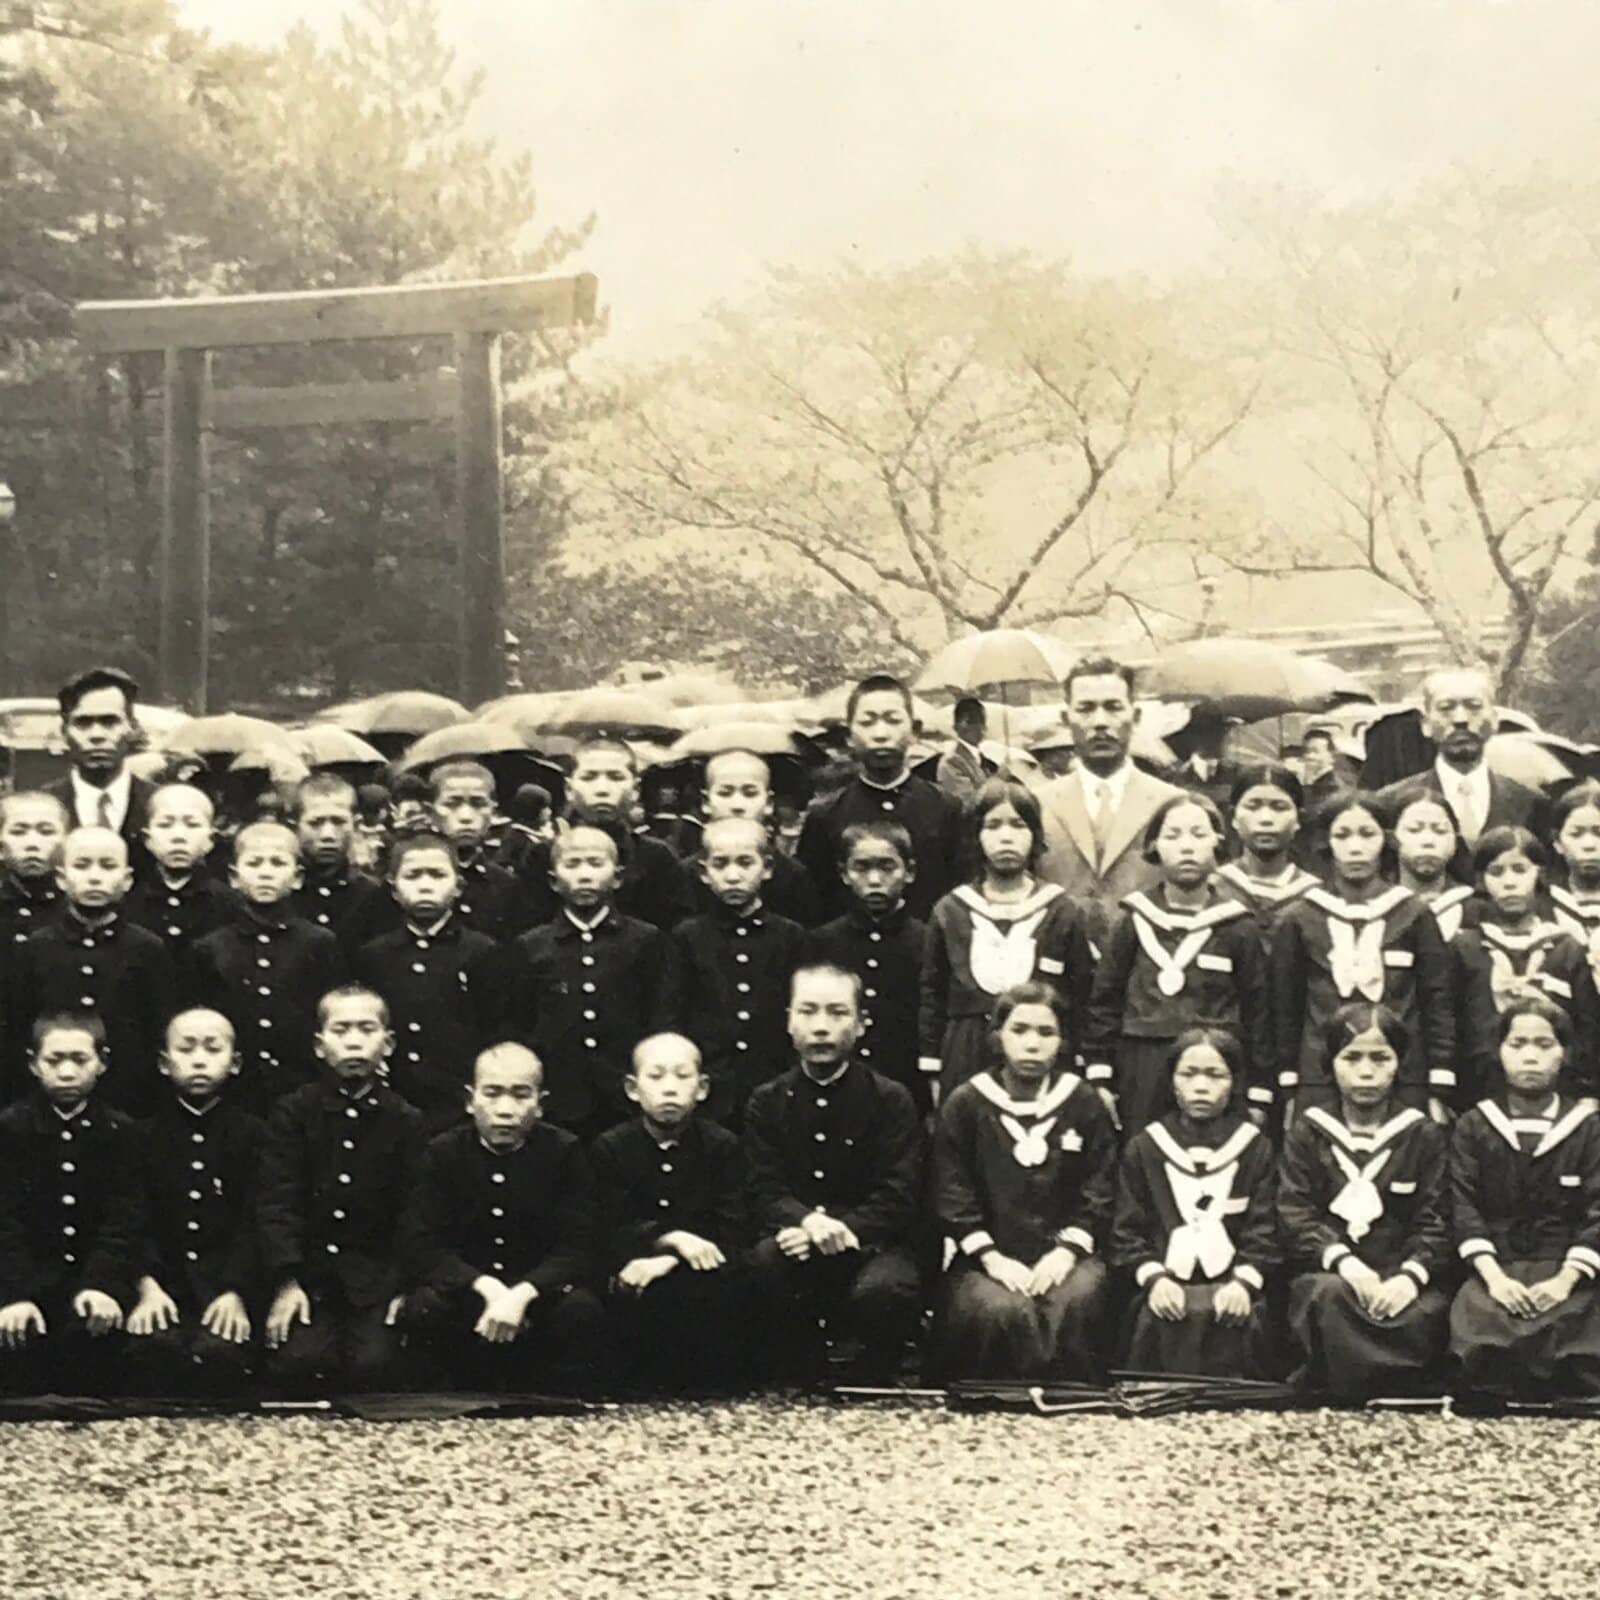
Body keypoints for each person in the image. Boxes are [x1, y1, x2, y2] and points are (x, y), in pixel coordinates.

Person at [929, 982, 1118, 1382]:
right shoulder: (966, 1103)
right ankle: (999, 1396)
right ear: (997, 1037)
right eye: (1020, 1030)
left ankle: (1069, 1396)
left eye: (1046, 1033)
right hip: (988, 1254)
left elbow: (1100, 1186)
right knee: (997, 1308)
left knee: (1076, 1302)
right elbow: (952, 1188)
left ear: (1063, 1041)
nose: (1032, 1044)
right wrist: (991, 1257)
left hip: (1064, 1252)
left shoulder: (1083, 1102)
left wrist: (1066, 1251)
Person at [744, 964, 924, 1382]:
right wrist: (806, 1223)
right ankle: (796, 1365)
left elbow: (898, 1195)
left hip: (871, 1244)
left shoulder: (891, 1100)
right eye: (807, 1012)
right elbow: (763, 1187)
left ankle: (871, 1368)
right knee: (762, 1264)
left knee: (886, 1290)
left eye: (837, 1013)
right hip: (797, 1240)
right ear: (788, 1021)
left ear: (861, 1025)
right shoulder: (767, 1101)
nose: (821, 1027)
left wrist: (836, 1230)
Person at [403, 1042, 604, 1393]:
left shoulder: (564, 1152)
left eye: (521, 1095)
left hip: (537, 1296)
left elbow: (578, 1245)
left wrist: (523, 1293)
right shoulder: (443, 1153)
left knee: (580, 1310)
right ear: (470, 1100)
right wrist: (486, 1287)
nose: (505, 1110)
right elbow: (422, 1243)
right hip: (470, 1297)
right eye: (492, 1094)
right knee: (426, 1308)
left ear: (540, 1104)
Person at [1276, 1003, 1453, 1399]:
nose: (1367, 1071)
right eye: (1352, 1057)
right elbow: (1295, 1213)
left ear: (1399, 1064)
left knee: (1425, 1311)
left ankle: (1403, 1385)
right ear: (1330, 1063)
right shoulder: (1309, 1132)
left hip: (1400, 1273)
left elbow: (1436, 1218)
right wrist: (1347, 1264)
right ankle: (1342, 1384)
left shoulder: (1422, 1134)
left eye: (1381, 1058)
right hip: (1337, 1273)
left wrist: (1410, 1276)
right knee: (1328, 1298)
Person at [257, 985, 423, 1392]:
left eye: (366, 1029)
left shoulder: (406, 1120)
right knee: (300, 1365)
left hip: (376, 1278)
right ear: (319, 1045)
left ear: (388, 1043)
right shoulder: (294, 1113)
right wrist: (287, 1282)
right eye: (340, 1029)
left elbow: (416, 1211)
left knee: (375, 1369)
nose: (353, 1041)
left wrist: (404, 1287)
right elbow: (278, 1200)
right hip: (311, 1276)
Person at [1083, 795, 1271, 1132]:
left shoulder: (1238, 927)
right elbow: (1104, 1001)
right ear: (1154, 846)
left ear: (1218, 842)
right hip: (1142, 1064)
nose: (1187, 847)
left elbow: (1259, 1012)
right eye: (1173, 836)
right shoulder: (1131, 920)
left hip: (1215, 1064)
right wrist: (1100, 1073)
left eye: (1198, 834)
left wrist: (1257, 1091)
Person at [1270, 792, 1455, 1122]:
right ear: (1326, 842)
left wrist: (1438, 1081)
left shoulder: (1413, 914)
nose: (1355, 848)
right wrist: (1289, 1082)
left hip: (1402, 1070)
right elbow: (1286, 1007)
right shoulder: (1300, 917)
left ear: (1386, 840)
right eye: (1343, 835)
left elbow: (1437, 999)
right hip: (1320, 1072)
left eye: (1367, 834)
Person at [1449, 997, 1600, 1398]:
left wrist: (1565, 1281)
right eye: (1517, 1045)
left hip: (1564, 1268)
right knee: (1479, 1315)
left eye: (1544, 1044)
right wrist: (1495, 1279)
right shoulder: (1474, 1125)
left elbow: (1597, 1210)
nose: (1530, 1057)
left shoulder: (1588, 1128)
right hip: (1498, 1267)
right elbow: (1462, 1204)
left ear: (1565, 1054)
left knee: (1579, 1320)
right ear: (1499, 1051)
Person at [1110, 1029, 1279, 1379]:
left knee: (1244, 1316)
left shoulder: (1255, 1148)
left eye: (1215, 1075)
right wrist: (1155, 1278)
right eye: (1189, 1074)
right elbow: (1127, 1231)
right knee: (1154, 1314)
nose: (1201, 1086)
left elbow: (1265, 1231)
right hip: (1165, 1282)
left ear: (1233, 1082)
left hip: (1232, 1283)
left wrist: (1243, 1283)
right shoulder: (1145, 1148)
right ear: (1172, 1081)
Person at [590, 1033, 749, 1392]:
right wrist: (668, 1238)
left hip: (699, 1274)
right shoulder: (610, 1148)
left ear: (703, 1087)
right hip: (633, 1269)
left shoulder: (722, 1147)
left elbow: (732, 1226)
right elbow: (606, 1225)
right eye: (656, 1076)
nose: (670, 1089)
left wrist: (669, 1259)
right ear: (632, 1088)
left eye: (682, 1076)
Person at [919, 780, 1086, 1107]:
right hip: (967, 1049)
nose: (1006, 837)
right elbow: (931, 993)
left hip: (1042, 1050)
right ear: (976, 836)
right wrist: (934, 1068)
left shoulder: (1062, 910)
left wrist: (1079, 1059)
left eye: (1018, 825)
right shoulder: (951, 910)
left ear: (1035, 835)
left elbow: (1080, 993)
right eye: (993, 826)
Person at [0, 1013, 142, 1394]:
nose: (66, 1072)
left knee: (96, 1351)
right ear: (33, 1064)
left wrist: (101, 1285)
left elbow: (123, 1220)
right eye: (53, 1060)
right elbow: (5, 1220)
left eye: (79, 1060)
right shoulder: (10, 1129)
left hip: (88, 1282)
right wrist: (14, 1294)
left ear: (102, 1063)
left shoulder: (120, 1132)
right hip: (26, 1280)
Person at [124, 1009, 261, 1395]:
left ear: (234, 1063)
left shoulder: (253, 1135)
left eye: (212, 1049)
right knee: (152, 1353)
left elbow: (256, 1220)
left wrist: (236, 1291)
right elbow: (131, 1218)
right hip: (163, 1284)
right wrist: (146, 1287)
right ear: (164, 1063)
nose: (199, 1059)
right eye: (186, 1049)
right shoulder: (141, 1136)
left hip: (224, 1286)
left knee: (222, 1359)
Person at [503, 824, 667, 1138]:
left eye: (595, 863)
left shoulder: (646, 941)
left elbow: (658, 1016)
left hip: (625, 1093)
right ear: (553, 880)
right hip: (559, 1096)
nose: (584, 874)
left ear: (617, 876)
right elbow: (520, 1022)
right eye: (572, 864)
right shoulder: (531, 946)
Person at [5, 826, 175, 1116]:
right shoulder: (36, 948)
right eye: (82, 866)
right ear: (61, 878)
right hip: (49, 1095)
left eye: (108, 866)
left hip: (129, 1094)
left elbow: (156, 1028)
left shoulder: (147, 948)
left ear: (127, 880)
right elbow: (17, 1026)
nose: (95, 876)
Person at [185, 821, 346, 1114]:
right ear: (234, 877)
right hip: (234, 1091)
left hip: (302, 1084)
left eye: (278, 863)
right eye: (254, 863)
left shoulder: (319, 943)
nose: (266, 872)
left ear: (297, 877)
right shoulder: (210, 948)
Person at [352, 831, 505, 1135]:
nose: (424, 885)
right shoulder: (374, 955)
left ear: (458, 886)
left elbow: (494, 1026)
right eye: (413, 875)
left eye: (437, 875)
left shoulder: (482, 951)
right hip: (392, 1096)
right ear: (393, 889)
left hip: (456, 1098)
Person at [663, 818, 806, 1127]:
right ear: (704, 873)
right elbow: (672, 1012)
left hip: (774, 1081)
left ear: (767, 868)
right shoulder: (687, 937)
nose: (733, 875)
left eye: (745, 863)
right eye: (720, 864)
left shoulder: (790, 936)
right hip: (709, 1087)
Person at [1036, 657, 1184, 947]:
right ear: (1066, 719)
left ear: (1136, 715)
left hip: (1148, 974)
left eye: (1114, 707)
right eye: (1086, 709)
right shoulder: (1037, 806)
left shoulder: (1173, 805)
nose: (1101, 722)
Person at [797, 674, 961, 924]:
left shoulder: (947, 809)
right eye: (867, 722)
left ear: (914, 731)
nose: (881, 734)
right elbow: (813, 905)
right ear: (849, 735)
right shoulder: (826, 815)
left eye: (893, 721)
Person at [1452, 828, 1598, 1105]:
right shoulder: (1465, 948)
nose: (1509, 883)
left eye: (1520, 870)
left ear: (1540, 873)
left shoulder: (1566, 949)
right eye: (1497, 872)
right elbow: (1452, 1021)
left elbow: (1588, 1027)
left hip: (1560, 1092)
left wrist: (1588, 1091)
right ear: (1482, 881)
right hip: (1480, 1091)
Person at [1375, 668, 1544, 880]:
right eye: (1446, 708)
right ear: (1426, 725)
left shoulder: (1530, 802)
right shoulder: (1389, 803)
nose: (1461, 719)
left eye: (1474, 707)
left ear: (1494, 720)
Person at [807, 822, 928, 1113]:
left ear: (909, 872)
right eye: (861, 868)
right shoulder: (822, 942)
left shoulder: (927, 941)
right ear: (844, 874)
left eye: (887, 867)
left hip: (908, 1089)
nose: (874, 879)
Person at [45, 666, 156, 875]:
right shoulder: (43, 809)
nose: (97, 735)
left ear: (132, 727)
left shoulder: (159, 807)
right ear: (64, 731)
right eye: (83, 723)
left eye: (110, 722)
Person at [694, 750, 820, 927]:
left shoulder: (793, 876)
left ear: (768, 803)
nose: (737, 806)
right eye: (725, 793)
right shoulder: (687, 873)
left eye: (750, 793)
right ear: (706, 802)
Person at [1213, 764, 1319, 956]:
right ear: (1233, 817)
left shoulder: (1316, 897)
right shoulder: (1213, 889)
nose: (1266, 819)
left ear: (1299, 819)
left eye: (1279, 807)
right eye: (1253, 806)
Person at [123, 783, 237, 959]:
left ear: (211, 840)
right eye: (165, 825)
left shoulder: (230, 904)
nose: (178, 836)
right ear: (147, 839)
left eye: (192, 825)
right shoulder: (129, 902)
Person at [290, 774, 391, 954]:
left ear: (356, 824)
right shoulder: (284, 893)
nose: (328, 834)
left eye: (338, 822)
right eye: (315, 823)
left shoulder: (372, 895)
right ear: (295, 826)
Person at [429, 761, 528, 942]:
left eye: (478, 803)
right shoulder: (407, 878)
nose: (466, 816)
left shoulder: (507, 885)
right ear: (431, 811)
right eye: (452, 803)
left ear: (493, 810)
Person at [1392, 793, 1476, 943]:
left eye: (1440, 831)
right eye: (1414, 830)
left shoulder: (1474, 908)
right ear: (1391, 837)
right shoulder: (1379, 905)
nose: (1428, 841)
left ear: (1456, 841)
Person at [0, 790, 67, 949]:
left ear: (66, 841)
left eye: (46, 831)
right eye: (18, 832)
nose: (32, 843)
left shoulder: (79, 907)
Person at [1548, 779, 1600, 961]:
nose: (1589, 845)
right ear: (1557, 842)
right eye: (1576, 834)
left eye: (1599, 833)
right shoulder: (1544, 906)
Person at [934, 697, 997, 808]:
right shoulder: (951, 762)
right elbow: (966, 803)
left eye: (982, 721)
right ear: (957, 726)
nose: (980, 727)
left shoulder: (985, 761)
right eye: (972, 721)